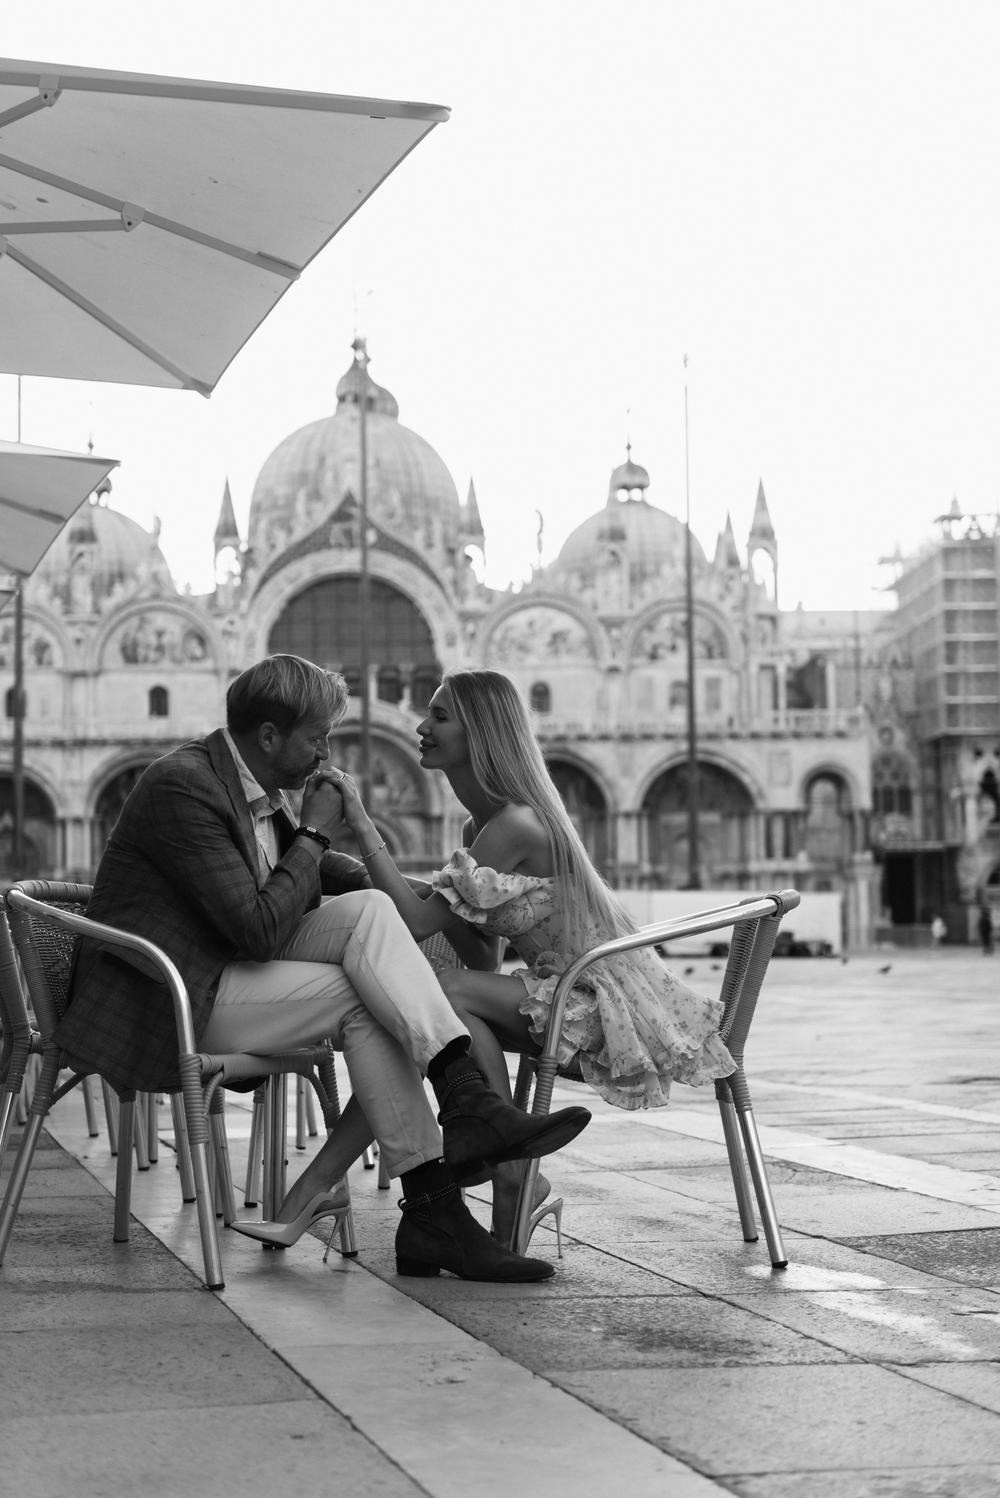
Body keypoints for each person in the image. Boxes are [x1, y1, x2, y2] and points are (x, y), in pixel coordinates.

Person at [55, 654, 591, 1283]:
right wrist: (314, 834)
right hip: (173, 996)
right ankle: (453, 1140)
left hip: (223, 975)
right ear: (270, 737)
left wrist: (441, 895)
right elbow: (256, 929)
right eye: (318, 737)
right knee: (369, 993)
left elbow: (346, 881)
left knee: (368, 925)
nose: (326, 753)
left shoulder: (253, 789)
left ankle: (440, 1172)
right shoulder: (186, 784)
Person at [333, 666, 737, 1244]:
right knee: (447, 1003)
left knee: (442, 995)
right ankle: (514, 1175)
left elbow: (419, 924)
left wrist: (360, 825)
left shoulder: (515, 825)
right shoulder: (488, 827)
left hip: (607, 1005)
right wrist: (442, 896)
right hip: (565, 993)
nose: (422, 726)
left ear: (481, 733)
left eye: (440, 716)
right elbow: (482, 956)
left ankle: (507, 1166)